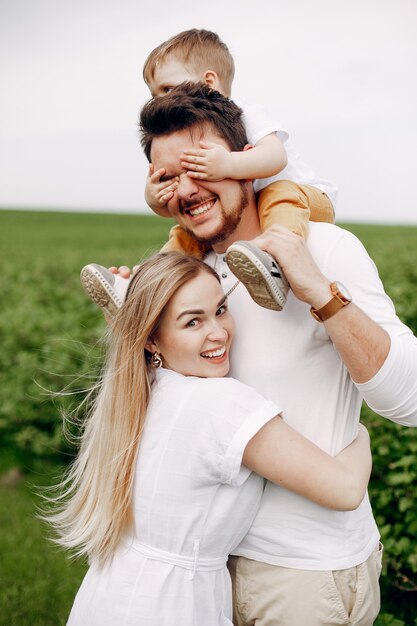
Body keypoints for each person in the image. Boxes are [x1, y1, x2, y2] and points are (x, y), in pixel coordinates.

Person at [135, 83, 417, 625]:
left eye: (199, 165)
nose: (186, 190)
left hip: (304, 576)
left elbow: (410, 402)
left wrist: (321, 295)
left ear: (245, 160)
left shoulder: (326, 250)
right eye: (168, 177)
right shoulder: (197, 276)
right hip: (207, 569)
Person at [49, 252, 372, 626]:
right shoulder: (220, 404)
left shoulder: (142, 392)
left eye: (220, 310)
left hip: (110, 595)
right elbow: (346, 490)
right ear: (152, 340)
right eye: (192, 322)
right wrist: (354, 428)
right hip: (172, 606)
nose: (218, 332)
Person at [80, 29, 336, 315]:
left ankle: (279, 262)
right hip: (261, 202)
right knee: (183, 235)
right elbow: (186, 204)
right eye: (153, 95)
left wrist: (227, 164)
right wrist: (155, 198)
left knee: (280, 192)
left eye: (166, 89)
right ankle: (140, 287)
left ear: (209, 81)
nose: (159, 101)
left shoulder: (247, 113)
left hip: (306, 198)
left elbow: (276, 157)